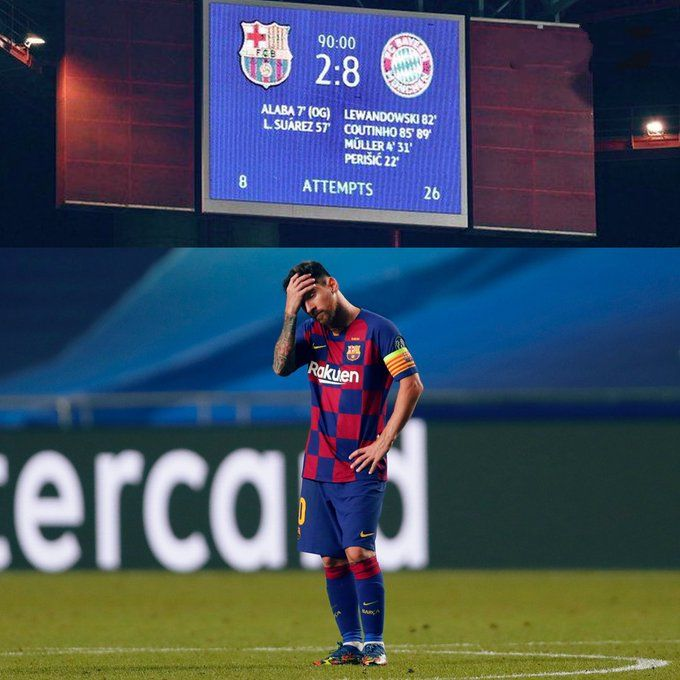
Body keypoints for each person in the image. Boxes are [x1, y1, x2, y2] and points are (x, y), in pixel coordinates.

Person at [273, 261, 424, 667]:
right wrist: (289, 315)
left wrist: (385, 441)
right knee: (331, 558)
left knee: (358, 550)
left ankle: (375, 644)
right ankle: (351, 642)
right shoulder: (311, 332)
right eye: (299, 302)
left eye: (310, 296)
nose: (309, 308)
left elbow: (412, 384)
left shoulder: (379, 331)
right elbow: (280, 366)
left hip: (360, 465)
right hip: (318, 466)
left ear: (332, 284)